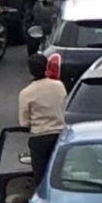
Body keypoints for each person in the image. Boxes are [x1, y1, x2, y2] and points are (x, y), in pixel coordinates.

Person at [18, 53, 67, 186]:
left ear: (29, 70)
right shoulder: (59, 86)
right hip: (59, 135)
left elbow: (24, 123)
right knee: (59, 174)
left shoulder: (26, 93)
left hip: (39, 137)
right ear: (46, 67)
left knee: (40, 176)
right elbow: (64, 106)